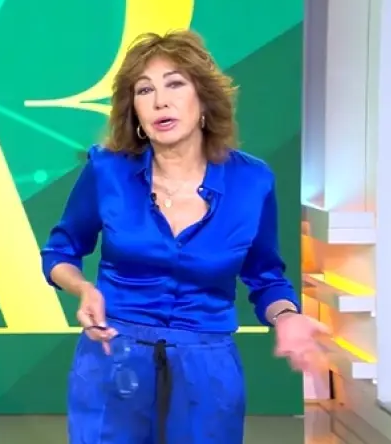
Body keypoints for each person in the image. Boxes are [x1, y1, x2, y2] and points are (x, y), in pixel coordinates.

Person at [42, 30, 328, 444]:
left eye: (175, 84)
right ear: (134, 111)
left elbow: (266, 278)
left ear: (204, 99)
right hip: (113, 359)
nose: (160, 101)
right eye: (145, 90)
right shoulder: (107, 171)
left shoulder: (252, 181)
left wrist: (287, 317)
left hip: (206, 370)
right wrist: (83, 288)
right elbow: (59, 252)